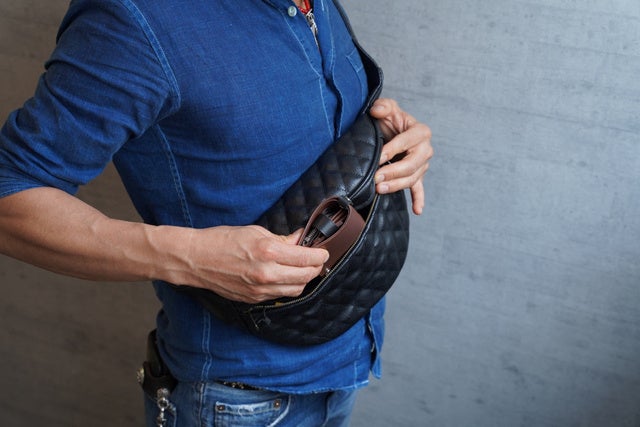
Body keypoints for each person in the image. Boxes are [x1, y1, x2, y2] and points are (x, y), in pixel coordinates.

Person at [0, 0, 432, 425]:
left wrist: (389, 137)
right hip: (242, 403)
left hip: (350, 362)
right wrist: (192, 257)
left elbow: (286, 127)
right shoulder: (132, 18)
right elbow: (9, 193)